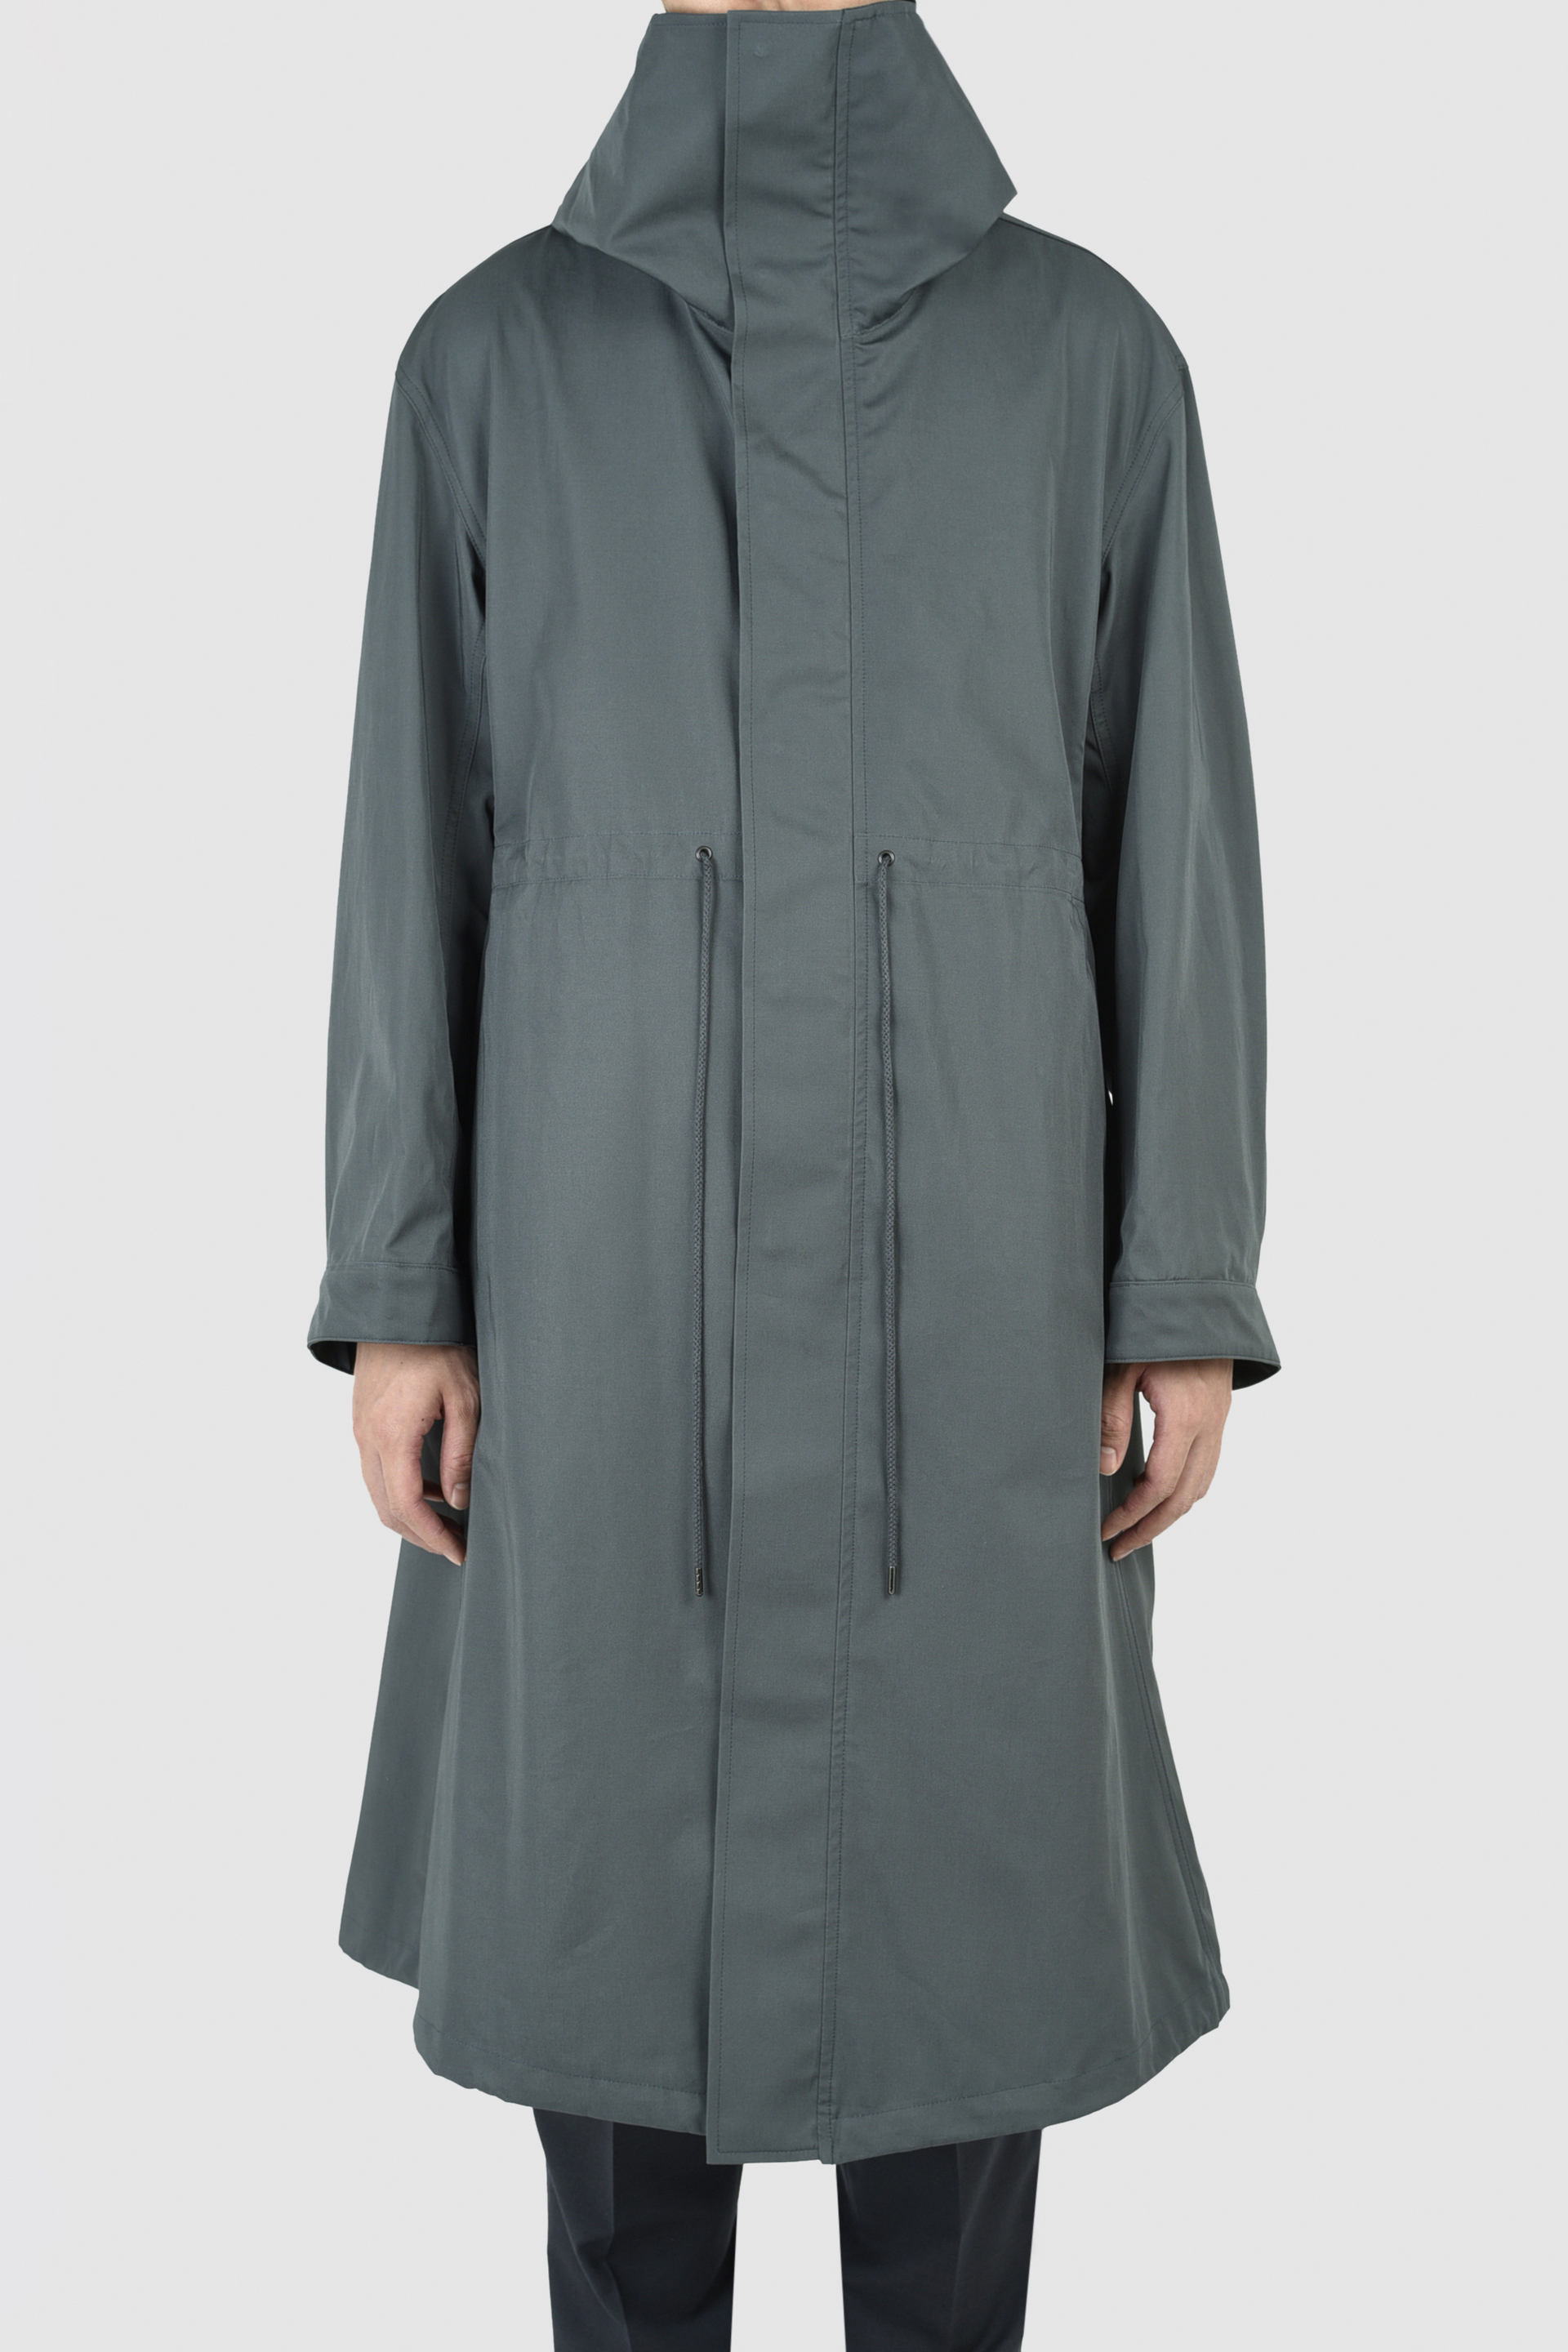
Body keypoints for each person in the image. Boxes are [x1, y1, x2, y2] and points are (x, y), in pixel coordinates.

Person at [309, 2, 1278, 2344]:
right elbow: (408, 849)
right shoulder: (491, 362)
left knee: (960, 2008)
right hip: (595, 1301)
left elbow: (1176, 854)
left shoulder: (1091, 360)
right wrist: (402, 1286)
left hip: (978, 1311)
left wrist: (1180, 1283)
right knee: (609, 2022)